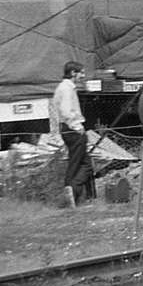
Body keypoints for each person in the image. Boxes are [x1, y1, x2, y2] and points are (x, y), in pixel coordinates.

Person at [51, 61, 95, 205]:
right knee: (82, 165)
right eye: (81, 72)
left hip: (67, 129)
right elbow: (66, 110)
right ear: (72, 73)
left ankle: (76, 197)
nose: (83, 76)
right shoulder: (67, 89)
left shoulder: (62, 88)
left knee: (80, 163)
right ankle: (72, 190)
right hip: (73, 130)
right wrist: (77, 126)